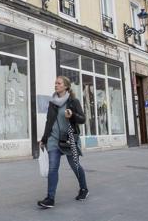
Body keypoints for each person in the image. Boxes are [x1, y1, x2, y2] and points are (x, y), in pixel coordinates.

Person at [37, 76, 88, 209]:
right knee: (53, 168)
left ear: (66, 86)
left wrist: (72, 115)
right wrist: (44, 139)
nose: (56, 85)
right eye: (55, 83)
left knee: (75, 165)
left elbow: (83, 119)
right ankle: (50, 198)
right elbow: (49, 121)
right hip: (54, 139)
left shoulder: (73, 101)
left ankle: (84, 189)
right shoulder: (52, 102)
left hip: (69, 138)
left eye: (59, 83)